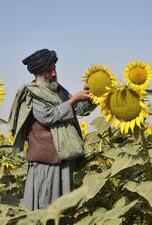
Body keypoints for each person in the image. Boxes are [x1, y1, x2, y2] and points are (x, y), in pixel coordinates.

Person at [8, 48, 95, 210]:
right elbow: (48, 116)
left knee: (63, 205)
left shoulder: (58, 90)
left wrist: (90, 97)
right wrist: (74, 99)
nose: (54, 74)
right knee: (45, 203)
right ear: (39, 72)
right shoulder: (32, 93)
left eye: (54, 68)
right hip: (46, 159)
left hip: (64, 155)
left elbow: (78, 110)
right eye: (49, 70)